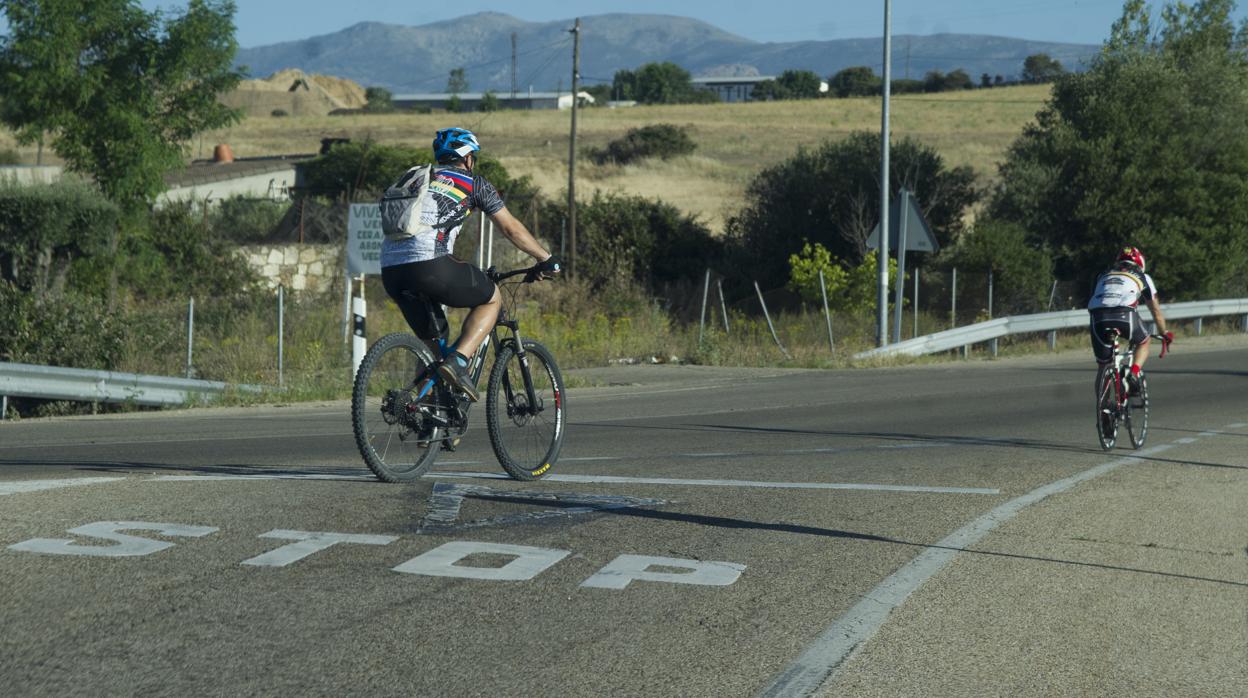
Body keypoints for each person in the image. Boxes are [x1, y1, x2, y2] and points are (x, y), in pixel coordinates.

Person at [379, 127, 559, 402]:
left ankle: (423, 413)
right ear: (468, 158)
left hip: (391, 270)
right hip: (430, 263)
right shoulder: (473, 183)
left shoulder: (418, 179)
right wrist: (545, 259)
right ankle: (460, 361)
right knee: (491, 299)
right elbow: (511, 229)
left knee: (432, 348)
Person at [1087, 246, 1173, 393]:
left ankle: (1103, 411)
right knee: (1144, 341)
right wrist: (1164, 332)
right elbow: (1156, 311)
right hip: (1124, 314)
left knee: (1103, 366)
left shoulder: (1102, 274)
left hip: (1097, 316)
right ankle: (1133, 373)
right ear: (1141, 263)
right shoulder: (1143, 276)